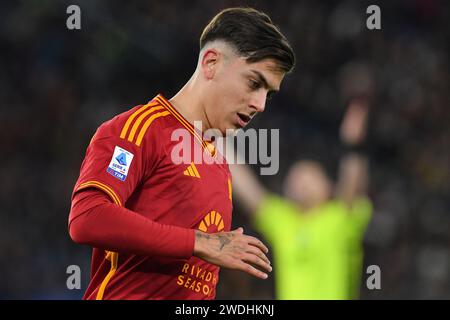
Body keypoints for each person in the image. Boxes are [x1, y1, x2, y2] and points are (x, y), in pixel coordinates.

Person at [68, 7, 295, 300]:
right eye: (254, 83)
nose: (261, 104)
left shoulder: (216, 162)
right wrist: (200, 242)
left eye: (269, 93)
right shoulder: (140, 129)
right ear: (211, 63)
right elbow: (88, 217)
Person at [229, 98, 373, 299]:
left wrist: (352, 145)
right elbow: (247, 188)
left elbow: (351, 187)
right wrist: (213, 136)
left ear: (329, 188)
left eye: (310, 176)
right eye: (295, 177)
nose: (300, 182)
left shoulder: (339, 217)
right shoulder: (283, 220)